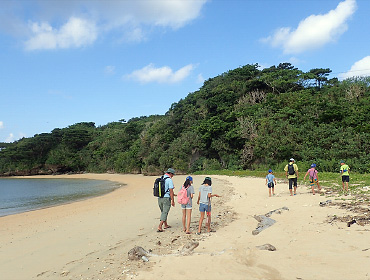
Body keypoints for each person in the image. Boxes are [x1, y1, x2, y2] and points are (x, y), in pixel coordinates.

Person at [157, 168, 175, 232]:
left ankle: (166, 224)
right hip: (166, 198)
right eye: (173, 174)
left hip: (159, 197)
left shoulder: (161, 178)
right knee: (165, 212)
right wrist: (173, 200)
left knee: (163, 211)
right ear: (170, 173)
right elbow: (171, 191)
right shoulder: (169, 180)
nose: (173, 176)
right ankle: (160, 226)